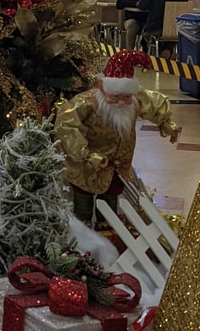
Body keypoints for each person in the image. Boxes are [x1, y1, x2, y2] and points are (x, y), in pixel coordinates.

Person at [55, 49, 180, 223]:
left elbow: (152, 104)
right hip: (85, 168)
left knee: (109, 207)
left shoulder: (134, 101)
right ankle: (80, 239)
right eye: (115, 96)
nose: (121, 103)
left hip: (116, 168)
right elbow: (68, 127)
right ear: (102, 87)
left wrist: (166, 124)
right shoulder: (85, 103)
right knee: (82, 207)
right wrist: (86, 155)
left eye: (126, 97)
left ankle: (108, 234)